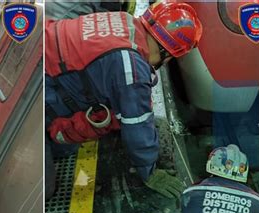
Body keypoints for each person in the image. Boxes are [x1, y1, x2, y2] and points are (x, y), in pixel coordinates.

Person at [44, 1, 202, 200]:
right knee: (46, 189)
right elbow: (137, 125)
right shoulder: (131, 69)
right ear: (169, 55)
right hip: (35, 100)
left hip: (37, 58)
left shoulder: (124, 21)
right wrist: (150, 173)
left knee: (69, 143)